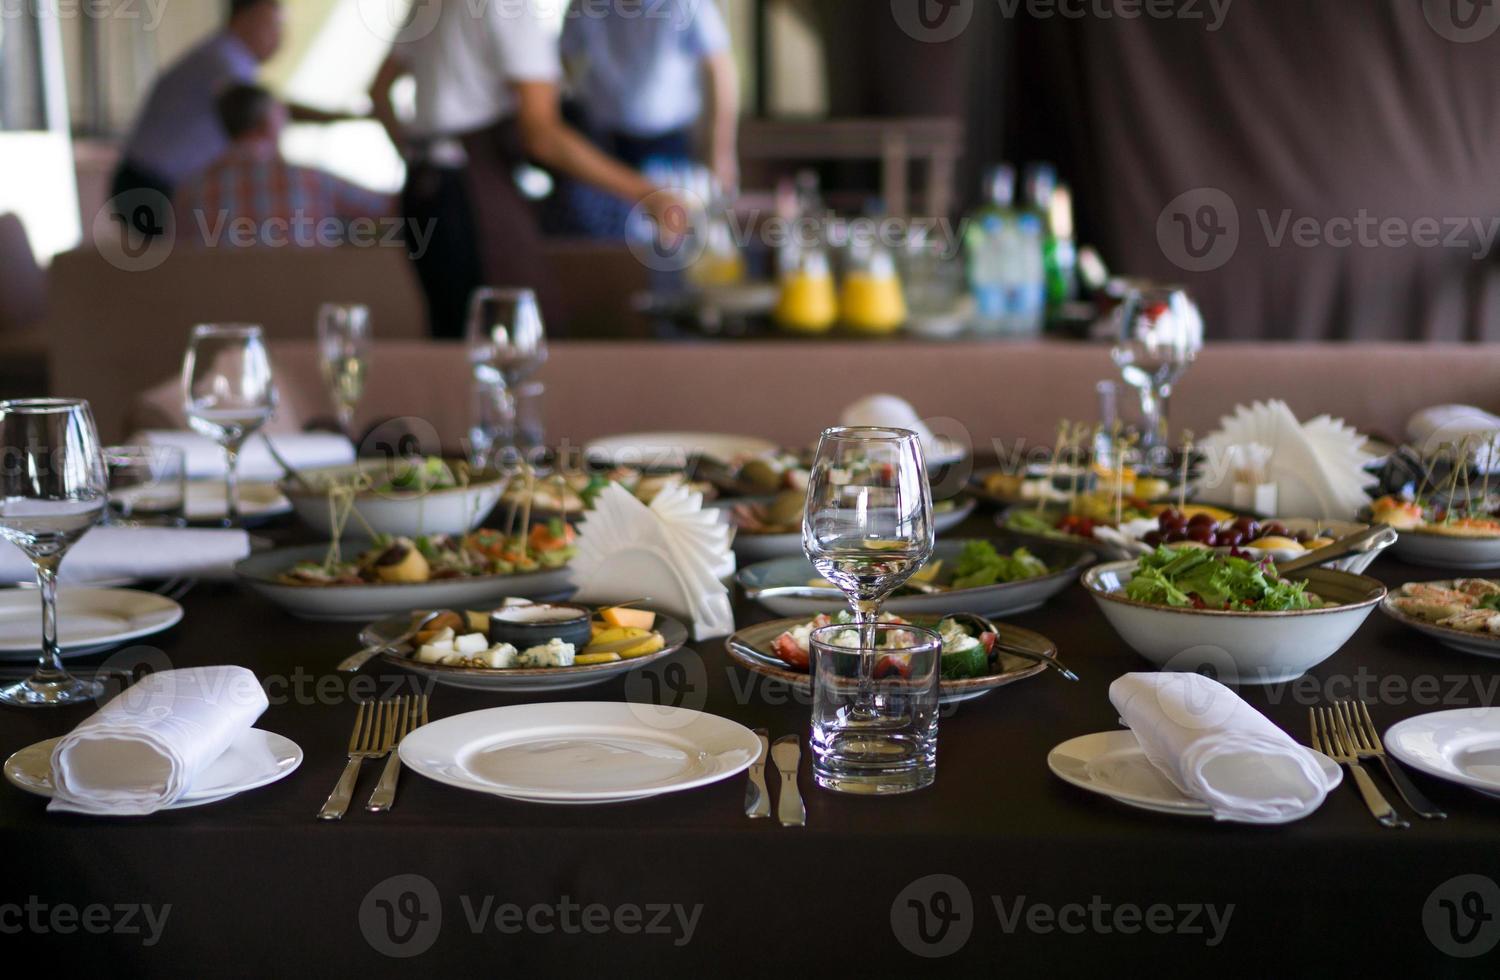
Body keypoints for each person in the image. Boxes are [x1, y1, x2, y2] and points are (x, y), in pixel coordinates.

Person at [369, 0, 686, 338]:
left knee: (452, 332)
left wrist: (415, 151)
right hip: (472, 192)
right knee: (515, 331)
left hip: (424, 189)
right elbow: (541, 136)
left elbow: (378, 91)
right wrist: (646, 193)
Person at [112, 0, 351, 236]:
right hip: (152, 183)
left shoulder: (226, 57)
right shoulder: (225, 60)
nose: (280, 39)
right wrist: (338, 117)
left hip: (149, 181)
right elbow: (259, 110)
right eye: (273, 25)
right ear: (246, 18)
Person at [172, 85, 391, 248]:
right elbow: (392, 210)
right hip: (311, 301)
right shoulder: (309, 180)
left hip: (221, 307)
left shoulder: (190, 192)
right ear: (267, 122)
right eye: (282, 114)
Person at [560, 0, 740, 191]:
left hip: (670, 144)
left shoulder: (687, 4)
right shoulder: (584, 4)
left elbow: (719, 70)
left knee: (668, 212)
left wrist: (720, 150)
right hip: (602, 142)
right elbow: (564, 57)